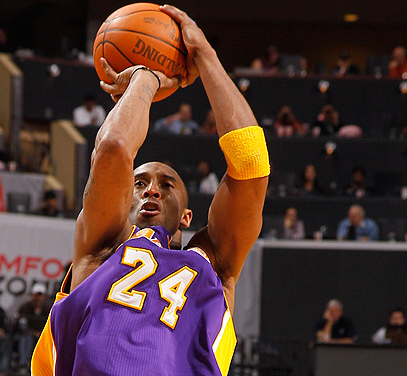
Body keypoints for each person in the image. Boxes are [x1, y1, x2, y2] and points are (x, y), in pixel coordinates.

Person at [31, 5, 270, 375]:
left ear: (188, 216)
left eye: (166, 184)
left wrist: (205, 55)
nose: (152, 191)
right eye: (139, 183)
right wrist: (147, 76)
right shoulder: (101, 248)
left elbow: (251, 163)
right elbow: (112, 149)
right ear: (124, 201)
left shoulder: (214, 264)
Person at [15, 284, 50, 371]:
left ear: (44, 297)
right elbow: (21, 325)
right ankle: (23, 365)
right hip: (23, 336)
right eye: (36, 295)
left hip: (43, 337)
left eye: (40, 296)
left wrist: (41, 334)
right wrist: (33, 333)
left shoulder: (48, 309)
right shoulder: (25, 308)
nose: (38, 298)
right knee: (26, 338)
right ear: (31, 295)